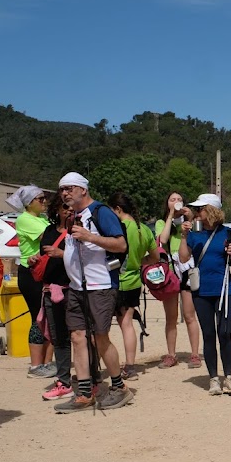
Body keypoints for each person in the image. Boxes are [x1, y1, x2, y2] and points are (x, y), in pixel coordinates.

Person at [52, 172, 132, 413]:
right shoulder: (73, 216)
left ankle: (119, 387)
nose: (64, 193)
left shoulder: (101, 212)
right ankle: (84, 393)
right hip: (77, 288)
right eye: (62, 189)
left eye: (69, 188)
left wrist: (90, 237)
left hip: (100, 286)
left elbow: (121, 244)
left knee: (100, 337)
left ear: (83, 190)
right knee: (77, 337)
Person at [178, 194, 231, 396]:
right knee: (208, 334)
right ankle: (214, 378)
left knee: (224, 332)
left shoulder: (227, 232)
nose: (197, 213)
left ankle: (229, 376)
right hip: (201, 289)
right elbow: (183, 257)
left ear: (211, 210)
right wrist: (183, 236)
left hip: (225, 288)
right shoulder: (194, 233)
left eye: (200, 209)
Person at [109, 192, 158, 380]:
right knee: (127, 324)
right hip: (134, 281)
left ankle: (97, 367)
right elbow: (154, 257)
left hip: (113, 281)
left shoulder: (116, 228)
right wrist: (139, 261)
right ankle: (130, 366)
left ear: (118, 209)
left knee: (102, 328)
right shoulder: (143, 229)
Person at [9, 184, 53, 377]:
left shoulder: (41, 218)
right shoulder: (24, 219)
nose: (44, 202)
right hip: (31, 272)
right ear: (29, 203)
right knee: (38, 318)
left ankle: (46, 362)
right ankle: (36, 365)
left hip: (43, 273)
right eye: (40, 199)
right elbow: (47, 238)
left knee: (49, 318)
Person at [155, 192, 201, 369]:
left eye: (179, 199)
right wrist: (170, 217)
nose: (176, 202)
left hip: (188, 269)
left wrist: (189, 217)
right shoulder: (161, 222)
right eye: (172, 199)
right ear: (166, 203)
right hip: (170, 272)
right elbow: (163, 239)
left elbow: (198, 236)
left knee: (190, 315)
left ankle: (195, 354)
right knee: (171, 317)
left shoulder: (189, 221)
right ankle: (171, 354)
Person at [39, 196, 74, 401]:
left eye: (71, 208)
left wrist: (62, 254)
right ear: (57, 210)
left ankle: (92, 379)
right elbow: (41, 255)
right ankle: (63, 381)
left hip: (74, 289)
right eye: (65, 208)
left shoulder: (80, 232)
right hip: (51, 289)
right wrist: (36, 259)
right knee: (59, 337)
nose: (69, 211)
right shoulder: (49, 232)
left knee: (83, 336)